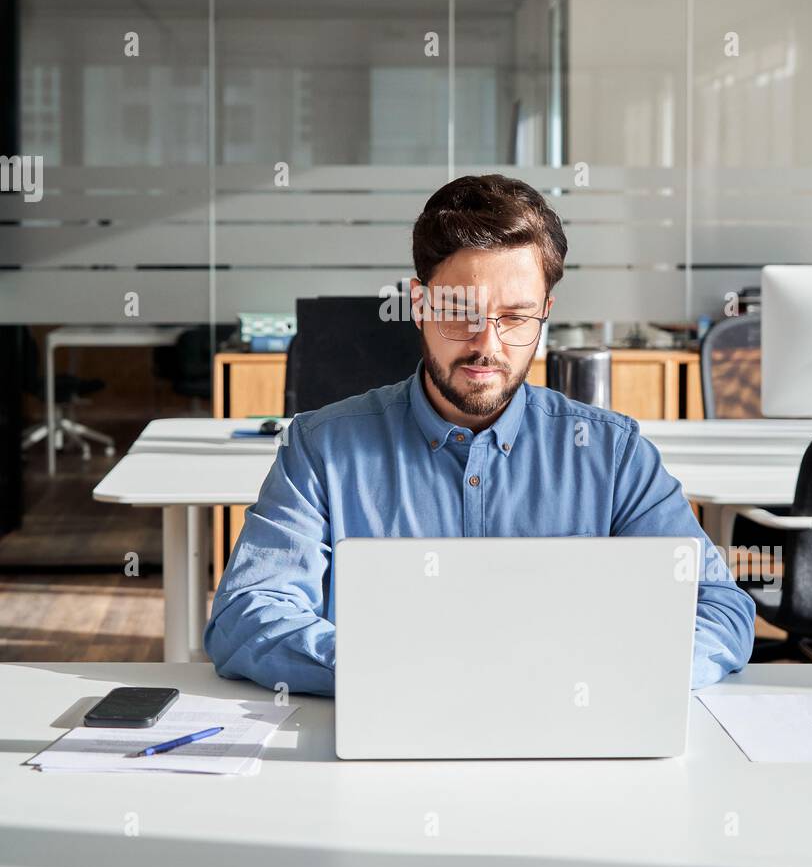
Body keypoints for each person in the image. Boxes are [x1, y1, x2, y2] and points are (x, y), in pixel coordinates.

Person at [204, 173, 755, 694]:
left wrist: (602, 673)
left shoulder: (613, 455)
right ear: (419, 307)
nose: (486, 344)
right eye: (459, 312)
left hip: (572, 743)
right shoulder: (321, 449)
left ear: (546, 312)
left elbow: (717, 608)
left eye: (516, 317)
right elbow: (246, 616)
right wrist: (397, 672)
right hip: (383, 741)